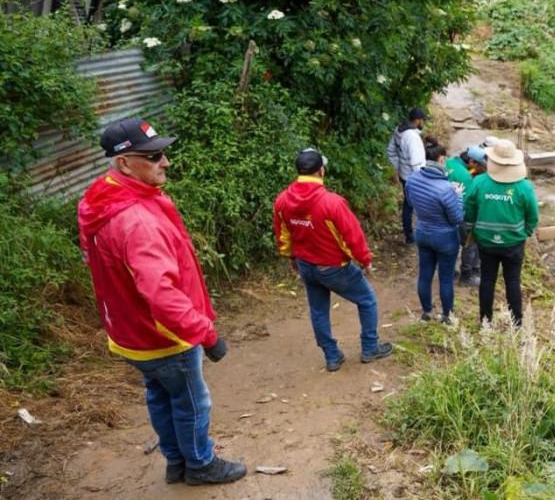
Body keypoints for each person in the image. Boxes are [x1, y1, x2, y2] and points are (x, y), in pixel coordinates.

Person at [77, 118, 246, 486]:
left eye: (162, 153)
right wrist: (206, 333)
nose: (165, 162)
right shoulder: (135, 220)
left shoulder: (98, 199)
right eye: (153, 157)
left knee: (160, 394)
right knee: (191, 401)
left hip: (127, 331)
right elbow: (162, 294)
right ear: (124, 163)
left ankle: (176, 461)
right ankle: (200, 465)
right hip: (163, 336)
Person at [273, 148, 393, 367]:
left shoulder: (282, 200)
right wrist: (364, 260)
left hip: (305, 265)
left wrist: (290, 258)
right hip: (333, 267)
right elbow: (351, 236)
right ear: (321, 171)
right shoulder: (332, 202)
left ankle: (331, 356)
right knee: (367, 300)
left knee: (318, 310)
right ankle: (370, 347)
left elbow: (283, 234)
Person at [463, 139, 540, 329]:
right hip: (514, 243)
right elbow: (533, 215)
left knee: (487, 280)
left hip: (486, 241)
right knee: (513, 281)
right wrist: (527, 231)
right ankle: (517, 324)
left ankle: (485, 322)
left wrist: (472, 227)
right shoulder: (524, 187)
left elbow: (469, 209)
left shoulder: (480, 182)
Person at [405, 139, 464, 324]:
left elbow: (410, 202)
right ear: (441, 159)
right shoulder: (446, 189)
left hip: (422, 232)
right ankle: (447, 317)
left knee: (425, 274)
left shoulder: (412, 179)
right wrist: (459, 196)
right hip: (445, 237)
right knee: (445, 278)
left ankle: (426, 313)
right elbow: (457, 218)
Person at [445, 145, 486, 286]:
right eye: (480, 165)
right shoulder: (466, 177)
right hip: (460, 215)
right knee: (470, 244)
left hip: (443, 211)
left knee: (450, 243)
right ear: (472, 162)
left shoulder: (450, 162)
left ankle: (449, 271)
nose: (482, 168)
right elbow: (469, 203)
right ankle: (466, 276)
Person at [386, 108, 428, 244]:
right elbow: (416, 162)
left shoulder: (399, 130)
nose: (424, 123)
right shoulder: (412, 137)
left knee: (408, 204)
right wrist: (422, 180)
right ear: (417, 120)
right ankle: (411, 235)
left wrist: (399, 167)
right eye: (423, 120)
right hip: (414, 177)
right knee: (415, 205)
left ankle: (409, 232)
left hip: (404, 175)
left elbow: (390, 151)